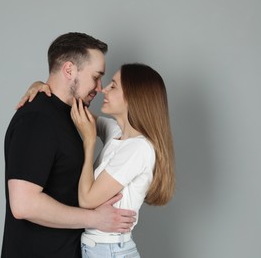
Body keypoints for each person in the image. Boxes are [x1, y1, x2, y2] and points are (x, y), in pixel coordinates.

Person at [2, 32, 136, 258]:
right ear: (69, 70)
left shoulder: (71, 115)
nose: (99, 87)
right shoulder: (37, 119)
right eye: (96, 77)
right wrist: (95, 219)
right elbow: (23, 203)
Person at [21, 63, 175, 257]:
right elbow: (74, 111)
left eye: (113, 86)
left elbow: (86, 200)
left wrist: (89, 142)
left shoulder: (139, 148)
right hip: (99, 249)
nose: (103, 89)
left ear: (133, 97)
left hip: (109, 251)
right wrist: (42, 87)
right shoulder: (117, 133)